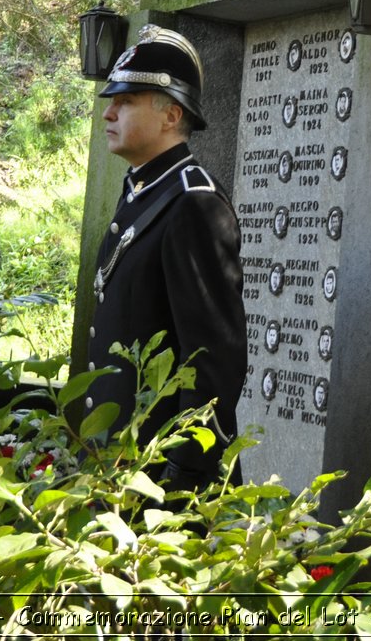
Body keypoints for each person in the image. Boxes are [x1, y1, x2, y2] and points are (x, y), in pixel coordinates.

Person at [87, 25, 247, 489]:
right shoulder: (143, 191)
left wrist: (186, 468)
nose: (108, 114)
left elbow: (213, 356)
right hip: (123, 461)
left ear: (171, 115)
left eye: (126, 102)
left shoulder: (193, 203)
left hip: (163, 472)